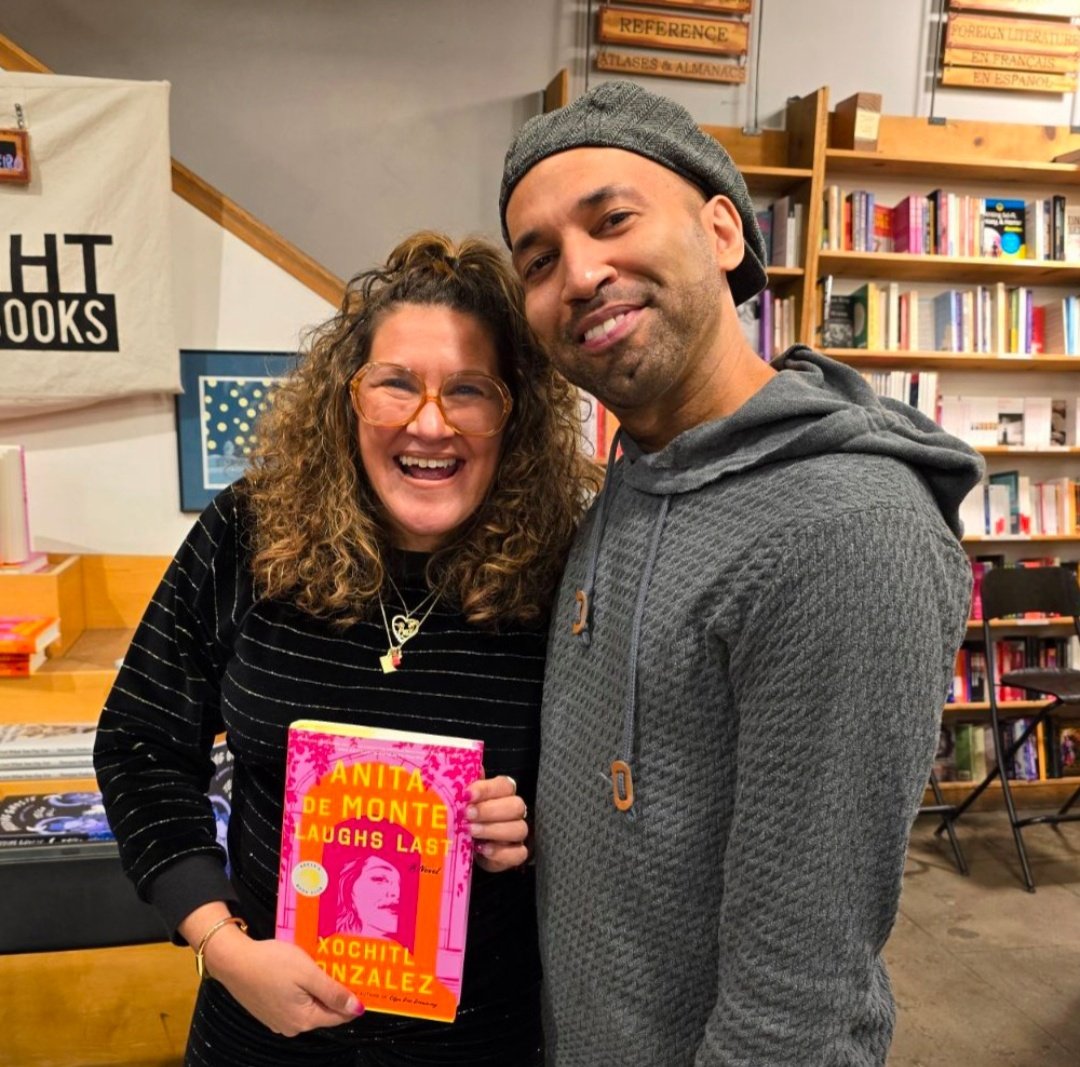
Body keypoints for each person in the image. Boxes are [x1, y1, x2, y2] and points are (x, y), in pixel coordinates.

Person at [499, 81, 985, 1066]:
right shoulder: (630, 482)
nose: (580, 274)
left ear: (724, 230)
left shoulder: (845, 535)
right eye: (539, 260)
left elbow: (801, 1006)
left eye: (613, 219)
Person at [94, 231, 597, 1066]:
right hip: (258, 1033)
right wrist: (221, 944)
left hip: (480, 1042)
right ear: (347, 399)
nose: (429, 422)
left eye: (469, 390)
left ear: (514, 414)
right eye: (395, 383)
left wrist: (539, 829)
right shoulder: (253, 533)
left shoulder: (566, 567)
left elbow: (619, 801)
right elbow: (140, 742)